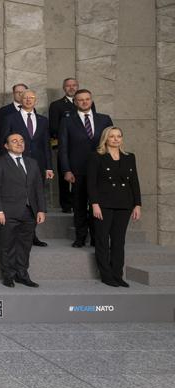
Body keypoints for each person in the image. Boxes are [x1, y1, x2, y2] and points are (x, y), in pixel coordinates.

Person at [0, 133, 46, 288]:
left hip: (29, 212)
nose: (19, 143)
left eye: (21, 141)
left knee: (25, 245)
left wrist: (41, 209)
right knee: (7, 245)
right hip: (7, 212)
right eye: (14, 141)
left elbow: (38, 188)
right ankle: (8, 275)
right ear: (6, 146)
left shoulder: (32, 163)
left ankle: (22, 274)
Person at [87, 126, 142, 287]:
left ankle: (118, 275)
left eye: (119, 136)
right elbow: (91, 184)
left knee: (119, 241)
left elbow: (134, 182)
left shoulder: (129, 157)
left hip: (124, 204)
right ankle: (106, 275)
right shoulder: (96, 157)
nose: (116, 139)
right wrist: (94, 204)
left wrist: (137, 204)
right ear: (106, 138)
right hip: (103, 204)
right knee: (103, 240)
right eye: (112, 136)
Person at [59, 89, 113, 248]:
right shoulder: (67, 121)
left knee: (99, 205)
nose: (84, 102)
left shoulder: (104, 119)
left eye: (87, 99)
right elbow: (63, 148)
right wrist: (66, 170)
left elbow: (112, 144)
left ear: (91, 100)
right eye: (80, 100)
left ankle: (97, 238)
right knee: (79, 205)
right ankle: (81, 237)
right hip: (78, 170)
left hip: (101, 170)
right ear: (75, 102)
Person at [0, 89, 53, 246]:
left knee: (35, 199)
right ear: (20, 99)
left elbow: (46, 145)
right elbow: (4, 142)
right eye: (26, 97)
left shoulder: (43, 120)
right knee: (18, 198)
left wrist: (49, 167)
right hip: (15, 165)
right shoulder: (10, 118)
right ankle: (15, 232)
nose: (29, 100)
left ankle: (31, 235)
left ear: (36, 100)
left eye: (32, 98)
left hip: (38, 165)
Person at [49, 77, 89, 213]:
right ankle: (66, 205)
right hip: (65, 146)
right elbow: (54, 128)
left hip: (84, 147)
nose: (71, 88)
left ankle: (84, 203)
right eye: (68, 86)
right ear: (63, 88)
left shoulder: (87, 104)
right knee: (64, 176)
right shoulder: (57, 105)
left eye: (74, 85)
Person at [0, 82, 28, 151]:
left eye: (22, 92)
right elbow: (1, 132)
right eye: (17, 92)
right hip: (12, 149)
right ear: (13, 94)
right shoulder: (4, 111)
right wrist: (0, 149)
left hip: (28, 149)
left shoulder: (32, 109)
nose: (20, 94)